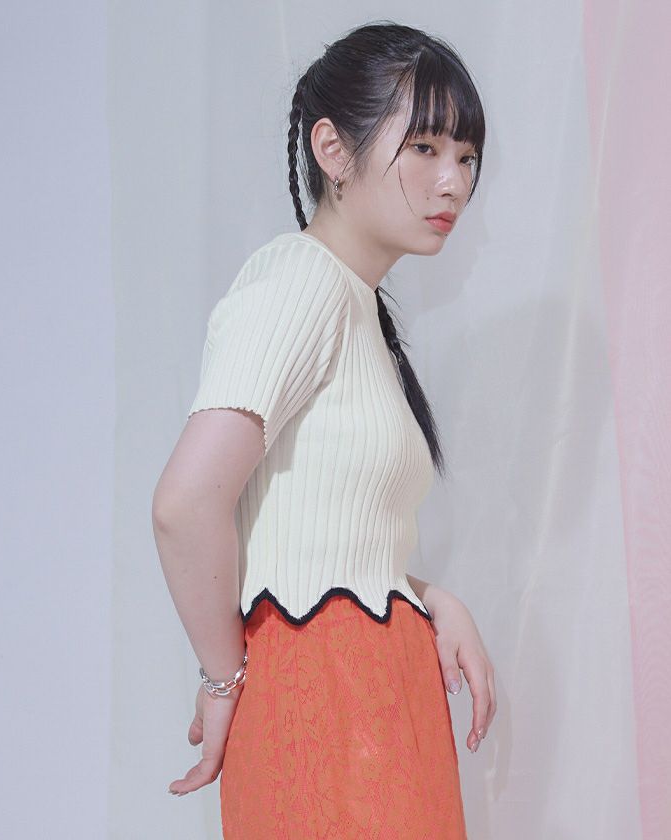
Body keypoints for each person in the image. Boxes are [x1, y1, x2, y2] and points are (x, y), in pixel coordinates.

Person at [152, 19, 497, 839]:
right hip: (329, 701)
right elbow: (185, 504)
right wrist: (224, 679)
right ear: (333, 150)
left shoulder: (355, 308)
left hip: (378, 694)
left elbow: (317, 531)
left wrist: (428, 597)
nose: (452, 182)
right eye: (425, 148)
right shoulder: (302, 282)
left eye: (466, 156)